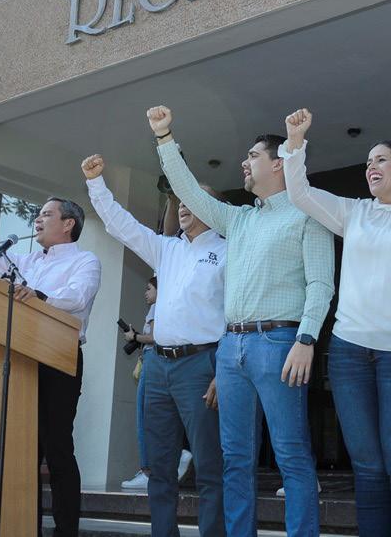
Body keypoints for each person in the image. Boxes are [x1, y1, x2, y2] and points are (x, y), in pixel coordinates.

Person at [147, 105, 335, 537]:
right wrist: (165, 139)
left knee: (291, 455)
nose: (244, 163)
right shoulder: (239, 219)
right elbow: (188, 191)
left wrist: (306, 339)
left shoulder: (307, 214)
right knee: (234, 458)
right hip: (231, 349)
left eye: (253, 156)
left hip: (280, 343)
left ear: (279, 164)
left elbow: (321, 285)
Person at [280, 108, 391, 537]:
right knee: (367, 467)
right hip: (350, 354)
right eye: (367, 162)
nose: (370, 167)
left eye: (380, 160)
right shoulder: (354, 213)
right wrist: (295, 143)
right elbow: (299, 193)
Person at [84, 154, 226, 536]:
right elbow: (122, 226)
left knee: (210, 467)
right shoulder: (167, 249)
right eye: (181, 201)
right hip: (158, 367)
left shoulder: (228, 252)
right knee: (159, 470)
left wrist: (224, 370)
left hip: (202, 366)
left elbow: (236, 315)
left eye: (194, 199)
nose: (183, 207)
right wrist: (96, 184)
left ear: (213, 210)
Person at [0, 182, 101, 537]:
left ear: (68, 224)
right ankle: (23, 528)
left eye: (46, 214)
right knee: (22, 449)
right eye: (38, 214)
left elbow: (77, 297)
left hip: (59, 358)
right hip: (19, 356)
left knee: (57, 446)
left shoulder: (85, 260)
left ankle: (66, 531)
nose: (38, 219)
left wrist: (38, 295)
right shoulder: (25, 260)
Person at [122, 278, 158, 491]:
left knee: (144, 415)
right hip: (155, 359)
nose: (146, 293)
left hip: (152, 359)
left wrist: (134, 336)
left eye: (149, 288)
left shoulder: (156, 307)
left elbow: (154, 337)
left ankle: (147, 471)